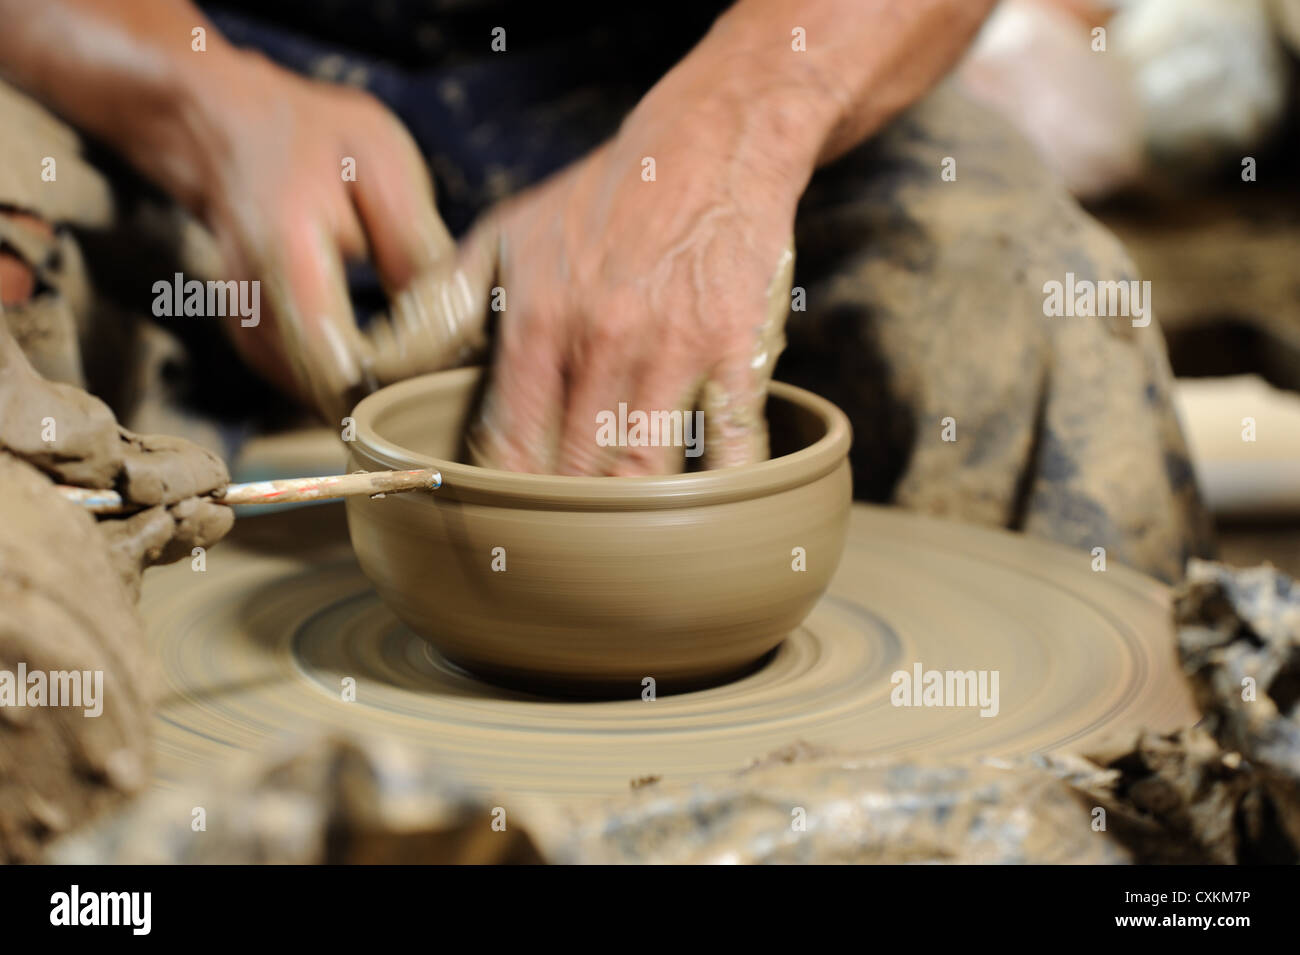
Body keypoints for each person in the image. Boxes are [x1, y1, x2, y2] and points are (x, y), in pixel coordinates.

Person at [0, 0, 1211, 858]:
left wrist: (734, 130)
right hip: (173, 69)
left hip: (715, 64)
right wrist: (194, 91)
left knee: (1019, 298)